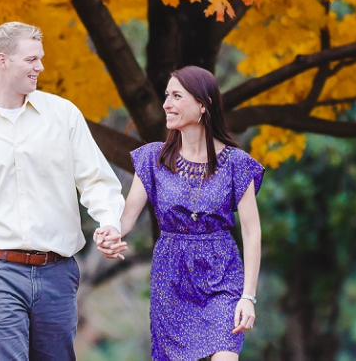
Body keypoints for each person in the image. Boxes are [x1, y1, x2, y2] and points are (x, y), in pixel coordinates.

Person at [0, 21, 125, 359]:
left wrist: (109, 222)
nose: (41, 67)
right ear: (3, 61)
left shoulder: (63, 115)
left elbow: (96, 180)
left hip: (57, 273)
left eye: (41, 58)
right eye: (32, 60)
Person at [96, 65, 264, 361]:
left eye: (176, 96)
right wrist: (109, 233)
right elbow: (125, 219)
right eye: (166, 96)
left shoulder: (238, 164)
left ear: (203, 105)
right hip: (171, 279)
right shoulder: (152, 159)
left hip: (221, 277)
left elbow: (252, 232)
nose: (166, 104)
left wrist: (247, 297)